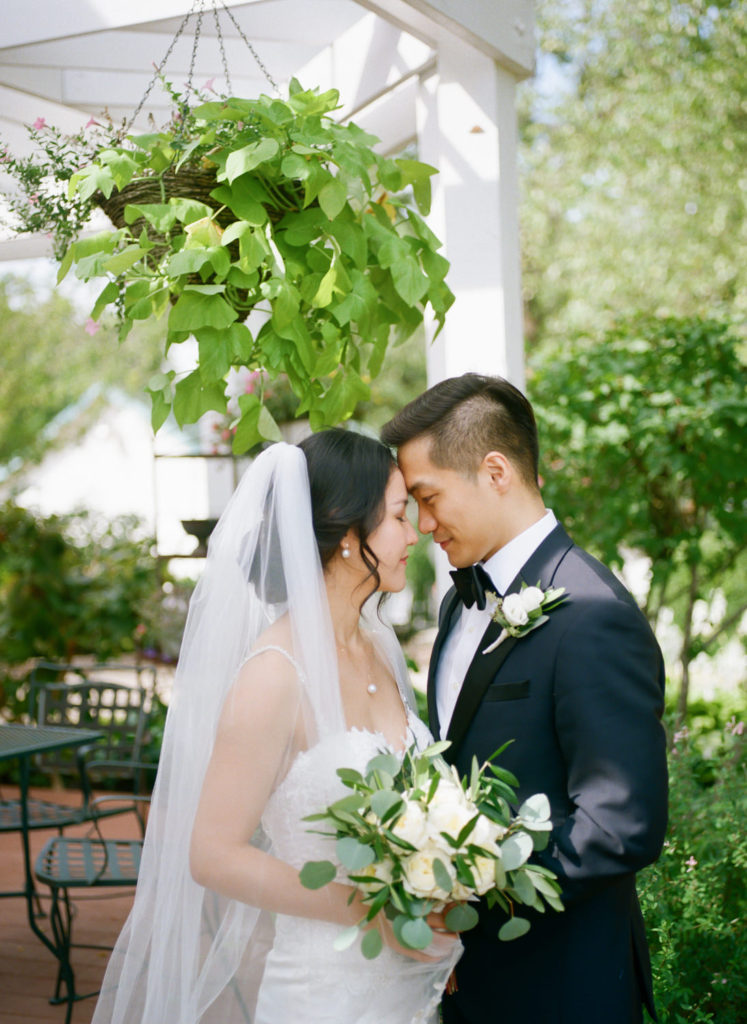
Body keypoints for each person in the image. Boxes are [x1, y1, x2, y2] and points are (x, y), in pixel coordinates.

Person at [91, 429, 460, 1024]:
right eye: (397, 517)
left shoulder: (379, 649)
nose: (413, 533)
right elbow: (213, 855)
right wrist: (374, 911)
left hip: (412, 988)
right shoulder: (275, 673)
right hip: (325, 994)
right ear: (347, 534)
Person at [381, 374, 668, 1024]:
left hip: (559, 985)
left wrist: (462, 907)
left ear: (494, 471)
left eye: (428, 498)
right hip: (466, 986)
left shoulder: (593, 614)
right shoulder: (460, 602)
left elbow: (619, 827)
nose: (424, 526)